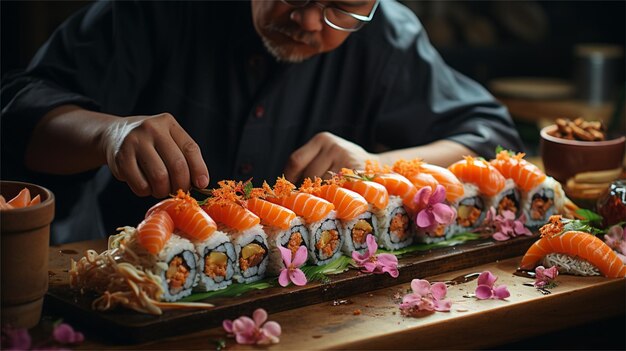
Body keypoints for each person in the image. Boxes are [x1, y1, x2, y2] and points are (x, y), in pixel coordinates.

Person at [0, 0, 523, 243]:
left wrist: (377, 164)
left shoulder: (385, 35)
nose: (309, 21)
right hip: (140, 282)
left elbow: (489, 134)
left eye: (341, 8)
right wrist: (107, 132)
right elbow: (16, 110)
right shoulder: (155, 10)